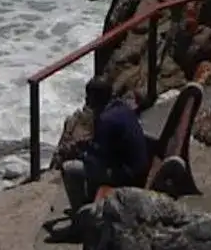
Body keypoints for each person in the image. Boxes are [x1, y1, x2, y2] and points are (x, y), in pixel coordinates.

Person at [60, 76, 149, 212]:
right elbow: (106, 148)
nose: (86, 100)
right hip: (138, 169)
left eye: (88, 97)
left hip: (128, 177)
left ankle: (81, 215)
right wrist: (87, 146)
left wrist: (80, 153)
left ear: (96, 98)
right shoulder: (122, 108)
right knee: (90, 164)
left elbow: (99, 161)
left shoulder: (106, 120)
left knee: (69, 168)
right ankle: (89, 202)